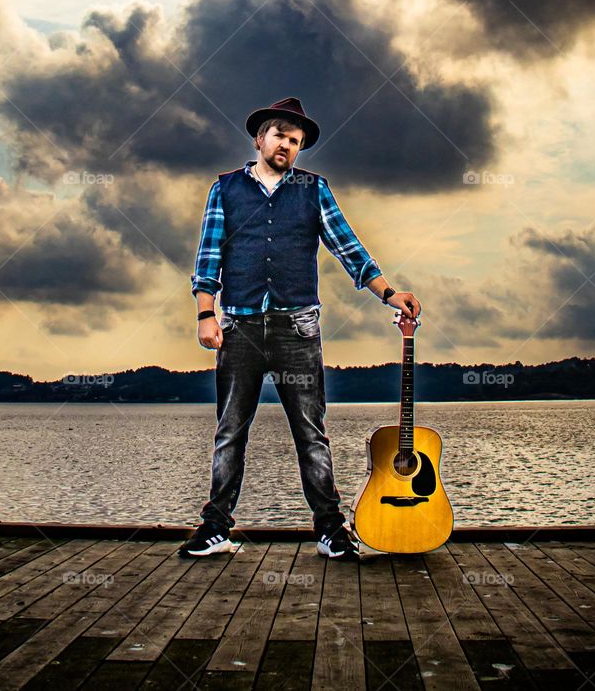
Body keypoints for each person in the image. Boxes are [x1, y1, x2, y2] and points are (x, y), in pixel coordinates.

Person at [180, 96, 422, 559]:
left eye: (295, 141)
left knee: (311, 433)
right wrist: (205, 313)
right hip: (241, 328)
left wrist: (391, 294)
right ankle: (215, 527)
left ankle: (330, 530)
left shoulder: (313, 190)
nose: (287, 146)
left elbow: (349, 249)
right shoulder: (225, 190)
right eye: (280, 137)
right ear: (259, 139)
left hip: (298, 328)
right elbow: (208, 257)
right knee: (230, 430)